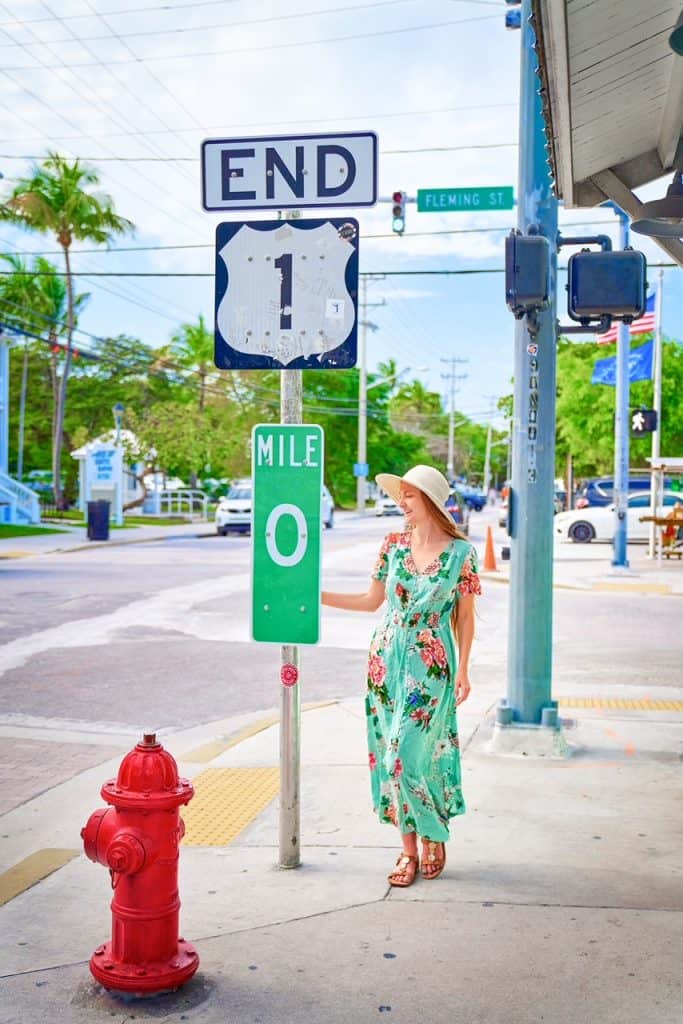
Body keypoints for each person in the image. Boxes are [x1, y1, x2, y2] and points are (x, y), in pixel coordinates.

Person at [321, 464, 481, 888]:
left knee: (407, 756)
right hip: (385, 662)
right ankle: (410, 849)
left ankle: (436, 833)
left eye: (409, 496)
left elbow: (465, 617)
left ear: (429, 500)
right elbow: (372, 600)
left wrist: (464, 668)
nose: (401, 504)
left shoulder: (461, 554)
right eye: (401, 496)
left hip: (431, 666)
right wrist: (316, 596)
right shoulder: (392, 544)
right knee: (389, 760)